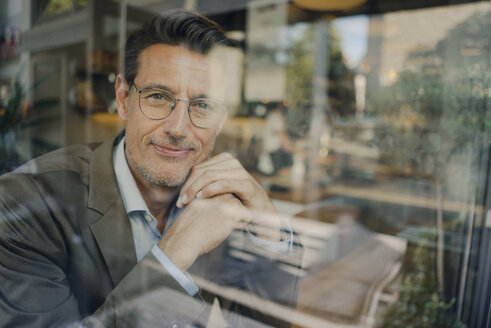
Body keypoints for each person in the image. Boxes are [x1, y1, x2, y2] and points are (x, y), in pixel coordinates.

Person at [0, 10, 300, 328]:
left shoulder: (220, 199)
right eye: (158, 96)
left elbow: (261, 323)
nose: (179, 128)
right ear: (123, 98)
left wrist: (268, 228)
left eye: (203, 105)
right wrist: (171, 258)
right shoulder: (24, 201)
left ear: (221, 120)